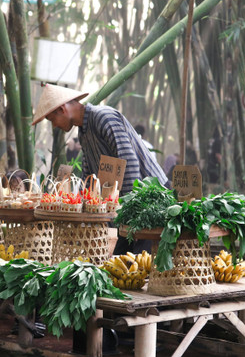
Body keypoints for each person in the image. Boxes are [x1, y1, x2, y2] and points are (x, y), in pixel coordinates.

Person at [32, 83, 169, 254]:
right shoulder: (83, 131)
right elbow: (89, 175)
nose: (54, 126)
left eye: (52, 119)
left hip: (149, 197)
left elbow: (129, 164)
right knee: (121, 260)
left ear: (62, 109)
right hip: (131, 203)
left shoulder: (104, 117)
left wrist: (128, 210)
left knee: (139, 263)